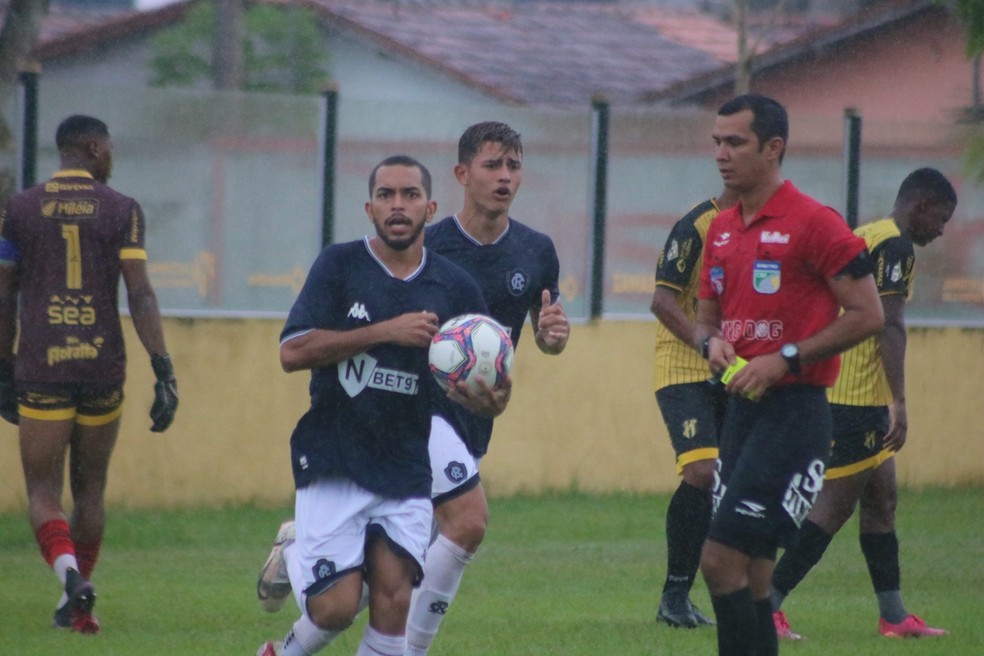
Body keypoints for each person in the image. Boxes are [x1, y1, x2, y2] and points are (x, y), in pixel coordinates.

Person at [256, 122, 571, 655]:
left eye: (513, 165)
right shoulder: (421, 245)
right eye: (492, 165)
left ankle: (292, 602)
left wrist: (546, 343)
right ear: (461, 176)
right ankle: (414, 647)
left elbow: (505, 352)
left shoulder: (534, 251)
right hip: (410, 423)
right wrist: (388, 332)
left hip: (458, 416)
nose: (504, 176)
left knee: (369, 593)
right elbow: (294, 349)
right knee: (468, 521)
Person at [694, 94, 884, 656]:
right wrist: (715, 343)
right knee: (751, 571)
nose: (722, 155)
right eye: (717, 143)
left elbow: (870, 314)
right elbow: (706, 321)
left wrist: (787, 357)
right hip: (741, 416)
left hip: (795, 414)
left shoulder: (816, 224)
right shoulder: (722, 230)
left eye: (736, 143)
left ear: (773, 148)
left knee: (719, 558)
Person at [0, 114, 178, 635]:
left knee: (42, 490)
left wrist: (2, 363)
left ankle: (69, 576)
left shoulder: (20, 208)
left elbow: (4, 294)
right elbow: (140, 292)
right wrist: (162, 366)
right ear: (93, 147)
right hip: (103, 366)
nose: (112, 157)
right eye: (109, 148)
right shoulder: (122, 209)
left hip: (43, 365)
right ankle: (81, 607)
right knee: (91, 489)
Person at [770, 167, 956, 640]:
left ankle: (893, 617)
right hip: (853, 396)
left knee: (882, 501)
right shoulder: (894, 244)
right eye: (942, 217)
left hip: (855, 394)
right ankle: (765, 604)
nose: (942, 229)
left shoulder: (868, 233)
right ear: (919, 206)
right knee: (832, 508)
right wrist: (900, 401)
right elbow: (888, 324)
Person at [650, 187, 737, 628]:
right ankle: (675, 593)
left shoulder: (769, 226)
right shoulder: (697, 224)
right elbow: (661, 301)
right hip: (683, 364)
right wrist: (704, 341)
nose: (726, 156)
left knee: (732, 479)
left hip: (736, 366)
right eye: (724, 147)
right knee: (702, 470)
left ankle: (741, 596)